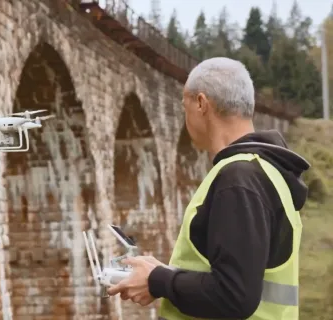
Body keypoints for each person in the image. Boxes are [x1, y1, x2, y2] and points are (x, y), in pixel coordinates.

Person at [107, 57, 310, 320]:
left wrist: (159, 281)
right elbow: (237, 274)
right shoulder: (265, 171)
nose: (185, 115)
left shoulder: (239, 179)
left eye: (185, 106)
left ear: (201, 103)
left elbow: (234, 296)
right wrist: (166, 274)